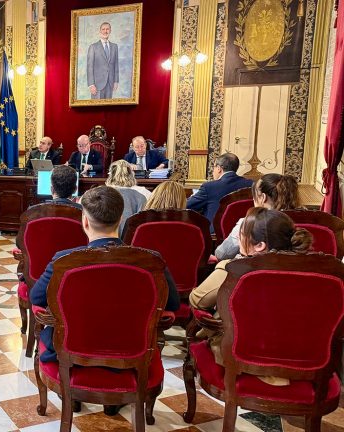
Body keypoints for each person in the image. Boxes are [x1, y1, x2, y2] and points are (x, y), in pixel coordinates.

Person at [30, 186, 179, 378]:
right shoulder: (151, 260)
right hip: (132, 350)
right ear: (120, 219)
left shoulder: (63, 260)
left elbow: (36, 297)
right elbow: (173, 303)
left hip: (72, 350)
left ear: (84, 221)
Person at [190, 208, 312, 378]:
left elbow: (197, 301)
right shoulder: (315, 274)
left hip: (241, 356)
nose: (239, 236)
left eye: (242, 232)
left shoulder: (232, 270)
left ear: (260, 245)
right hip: (300, 359)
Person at [215, 173, 299, 260]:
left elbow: (222, 254)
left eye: (254, 196)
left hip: (253, 270)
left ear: (263, 197)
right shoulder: (311, 219)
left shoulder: (249, 223)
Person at [186, 153, 254, 231]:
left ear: (219, 168)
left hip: (215, 234)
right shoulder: (251, 184)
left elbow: (187, 205)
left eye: (214, 167)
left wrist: (193, 197)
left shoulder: (209, 187)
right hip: (243, 232)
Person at [105, 160, 148, 229]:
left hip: (105, 236)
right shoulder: (144, 192)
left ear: (110, 175)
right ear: (132, 174)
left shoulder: (97, 193)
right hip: (134, 237)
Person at [86, 22, 119, 99]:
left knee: (108, 109)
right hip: (97, 85)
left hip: (110, 84)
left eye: (107, 29)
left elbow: (116, 65)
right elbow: (89, 67)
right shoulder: (93, 47)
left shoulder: (114, 47)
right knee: (96, 109)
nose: (105, 31)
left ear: (110, 30)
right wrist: (91, 84)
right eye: (103, 29)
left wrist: (116, 81)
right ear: (100, 31)